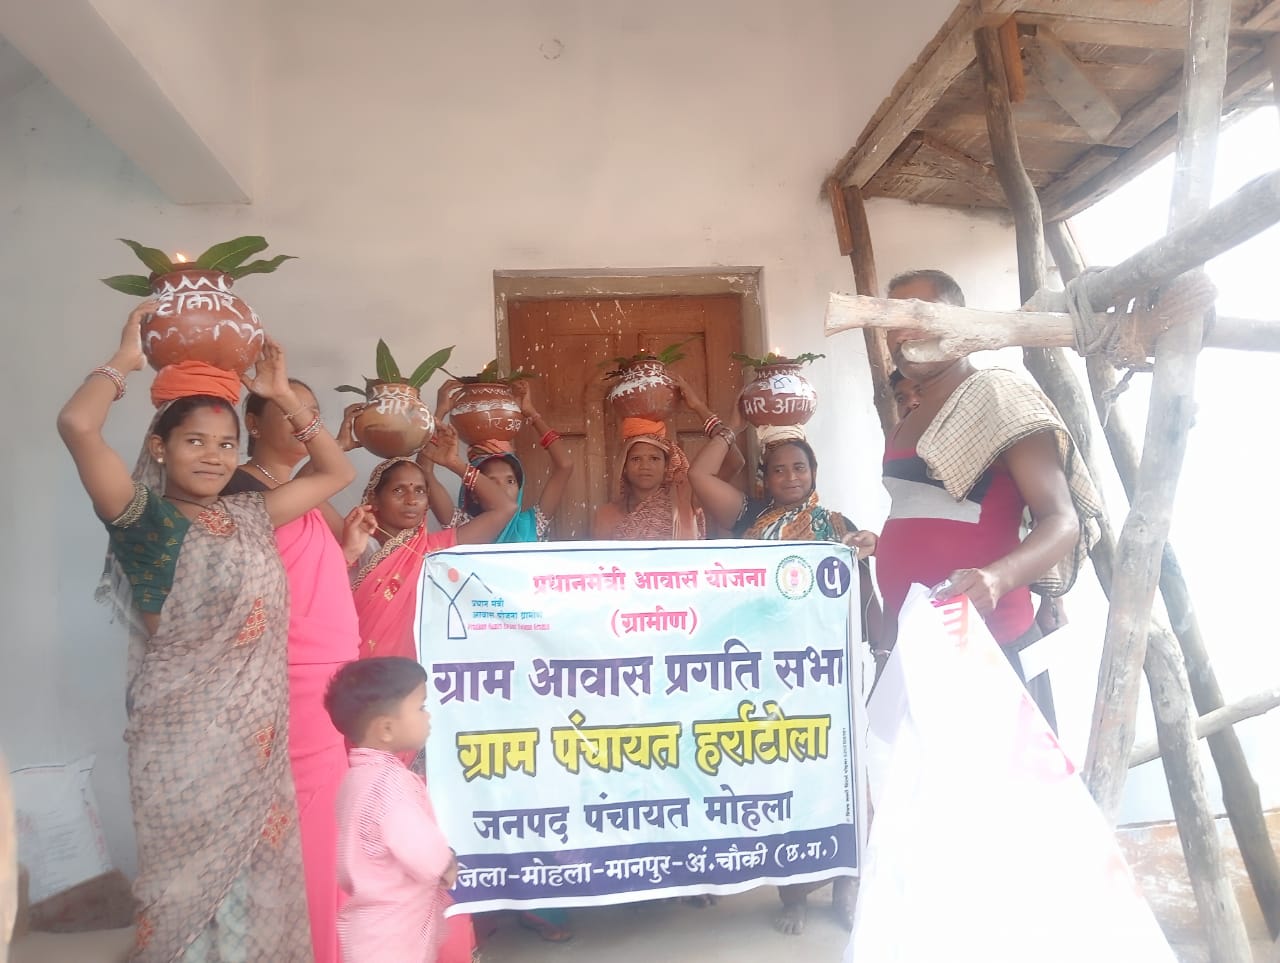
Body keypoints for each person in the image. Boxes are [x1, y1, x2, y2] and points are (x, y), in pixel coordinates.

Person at [57, 302, 356, 961]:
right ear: (159, 448)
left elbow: (337, 473)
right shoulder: (141, 518)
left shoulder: (250, 515)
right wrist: (125, 361)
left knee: (256, 900)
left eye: (226, 444)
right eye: (195, 441)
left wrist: (284, 397)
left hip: (255, 743)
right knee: (184, 903)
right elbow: (78, 425)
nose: (215, 457)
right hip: (183, 748)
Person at [872, 268, 1101, 730]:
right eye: (893, 320)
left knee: (1002, 778)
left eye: (920, 315)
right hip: (918, 650)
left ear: (961, 320)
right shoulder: (906, 420)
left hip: (992, 647)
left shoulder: (1000, 398)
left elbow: (1061, 520)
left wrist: (996, 580)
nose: (902, 332)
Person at [688, 411, 879, 936]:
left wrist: (880, 643)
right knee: (782, 774)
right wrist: (731, 421)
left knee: (844, 772)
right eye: (778, 469)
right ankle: (793, 891)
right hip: (767, 669)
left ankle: (848, 883)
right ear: (763, 478)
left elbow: (864, 590)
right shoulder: (750, 516)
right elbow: (699, 476)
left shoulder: (837, 525)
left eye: (800, 468)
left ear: (814, 473)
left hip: (826, 669)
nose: (791, 477)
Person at [221, 381, 363, 963]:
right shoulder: (240, 489)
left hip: (329, 677)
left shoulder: (298, 491)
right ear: (254, 423)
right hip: (292, 678)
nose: (306, 420)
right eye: (289, 408)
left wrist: (346, 554)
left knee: (328, 829)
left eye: (312, 411)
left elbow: (304, 575)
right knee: (307, 832)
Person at [325, 657, 458, 963]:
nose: (428, 715)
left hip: (371, 929)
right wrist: (447, 862)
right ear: (386, 728)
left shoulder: (356, 778)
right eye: (421, 707)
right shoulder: (390, 784)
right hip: (395, 936)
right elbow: (424, 854)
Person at [346, 425, 517, 662]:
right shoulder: (352, 542)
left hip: (415, 672)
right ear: (374, 498)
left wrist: (454, 463)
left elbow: (505, 508)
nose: (411, 500)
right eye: (398, 490)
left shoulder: (434, 549)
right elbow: (307, 494)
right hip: (358, 668)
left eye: (419, 491)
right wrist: (337, 447)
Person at [428, 378, 574, 543]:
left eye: (510, 481)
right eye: (491, 481)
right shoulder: (464, 528)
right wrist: (440, 412)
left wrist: (531, 413)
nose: (502, 488)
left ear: (520, 488)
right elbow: (425, 473)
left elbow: (565, 465)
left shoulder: (531, 525)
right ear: (474, 493)